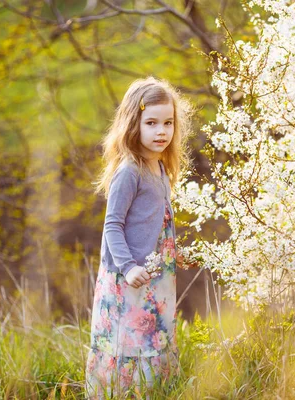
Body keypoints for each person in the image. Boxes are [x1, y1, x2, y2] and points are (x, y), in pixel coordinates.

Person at [85, 76, 197, 399]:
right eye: (151, 123)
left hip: (155, 276)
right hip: (128, 275)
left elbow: (157, 222)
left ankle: (151, 392)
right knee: (128, 341)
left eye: (168, 123)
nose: (161, 131)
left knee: (153, 339)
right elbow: (112, 226)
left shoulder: (159, 168)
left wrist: (172, 253)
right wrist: (128, 266)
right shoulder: (129, 171)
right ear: (134, 124)